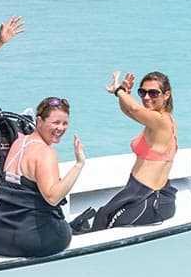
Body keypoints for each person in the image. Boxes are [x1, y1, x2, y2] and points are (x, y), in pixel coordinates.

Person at [77, 71, 181, 233]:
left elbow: (134, 107)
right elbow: (128, 111)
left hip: (147, 196)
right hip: (135, 190)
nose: (147, 97)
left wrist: (118, 90)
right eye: (142, 92)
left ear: (166, 95)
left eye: (153, 93)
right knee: (102, 216)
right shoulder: (155, 119)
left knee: (104, 221)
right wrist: (124, 94)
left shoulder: (162, 122)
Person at [0, 97, 86, 259]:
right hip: (31, 241)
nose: (60, 128)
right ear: (39, 121)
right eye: (55, 123)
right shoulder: (45, 153)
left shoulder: (18, 143)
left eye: (65, 123)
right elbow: (53, 197)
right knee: (66, 229)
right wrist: (79, 164)